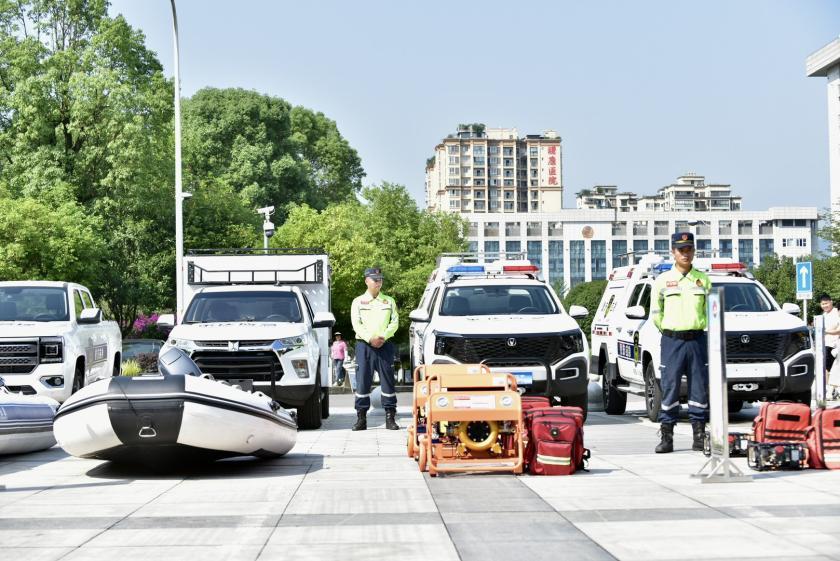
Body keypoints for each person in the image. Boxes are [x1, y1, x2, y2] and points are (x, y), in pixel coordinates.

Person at [650, 232, 711, 453]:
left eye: (689, 249)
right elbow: (656, 313)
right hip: (672, 340)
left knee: (699, 388)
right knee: (670, 387)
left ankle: (699, 435)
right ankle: (667, 436)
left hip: (697, 340)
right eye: (681, 250)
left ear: (694, 251)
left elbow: (710, 312)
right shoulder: (662, 281)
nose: (686, 253)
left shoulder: (703, 279)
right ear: (673, 252)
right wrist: (669, 329)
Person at [350, 267, 400, 431]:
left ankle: (390, 418)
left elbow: (394, 323)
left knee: (388, 382)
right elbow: (356, 324)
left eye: (380, 279)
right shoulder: (358, 301)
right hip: (364, 346)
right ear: (366, 281)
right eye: (375, 279)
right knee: (363, 382)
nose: (379, 282)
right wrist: (370, 338)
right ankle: (361, 418)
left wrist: (383, 336)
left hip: (385, 345)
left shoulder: (389, 301)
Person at [818, 294, 840, 399]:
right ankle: (830, 389)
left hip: (835, 345)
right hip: (826, 344)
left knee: (832, 369)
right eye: (822, 304)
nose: (824, 305)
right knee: (826, 368)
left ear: (831, 302)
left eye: (826, 303)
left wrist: (826, 332)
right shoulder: (824, 314)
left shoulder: (837, 312)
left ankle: (831, 390)